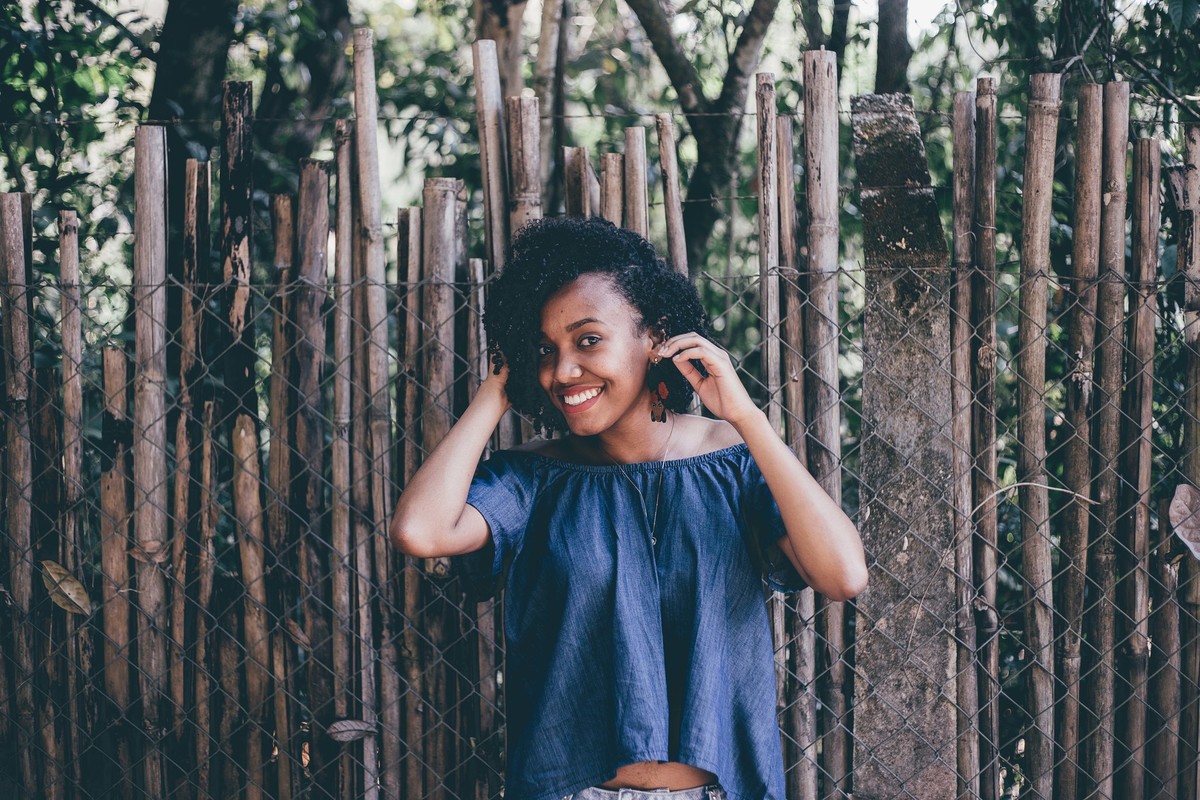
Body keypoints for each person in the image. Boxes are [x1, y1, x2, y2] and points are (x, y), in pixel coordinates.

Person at [390, 217, 866, 800]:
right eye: (546, 349)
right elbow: (420, 530)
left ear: (656, 335)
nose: (564, 371)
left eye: (589, 340)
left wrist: (747, 419)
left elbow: (843, 575)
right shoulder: (534, 478)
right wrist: (499, 386)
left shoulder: (735, 463)